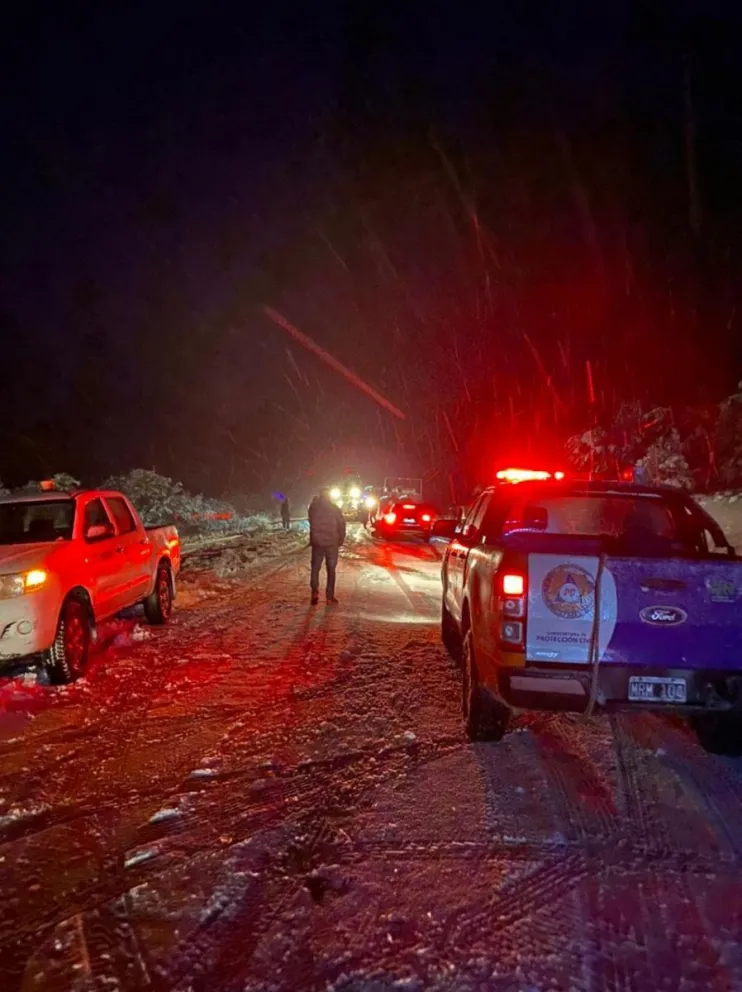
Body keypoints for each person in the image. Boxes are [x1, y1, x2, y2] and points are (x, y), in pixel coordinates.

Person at [307, 486, 346, 605]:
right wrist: (340, 540)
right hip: (332, 543)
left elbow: (310, 520)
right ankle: (329, 597)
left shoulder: (314, 508)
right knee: (331, 570)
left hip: (317, 543)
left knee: (315, 568)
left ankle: (314, 592)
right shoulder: (335, 508)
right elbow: (342, 525)